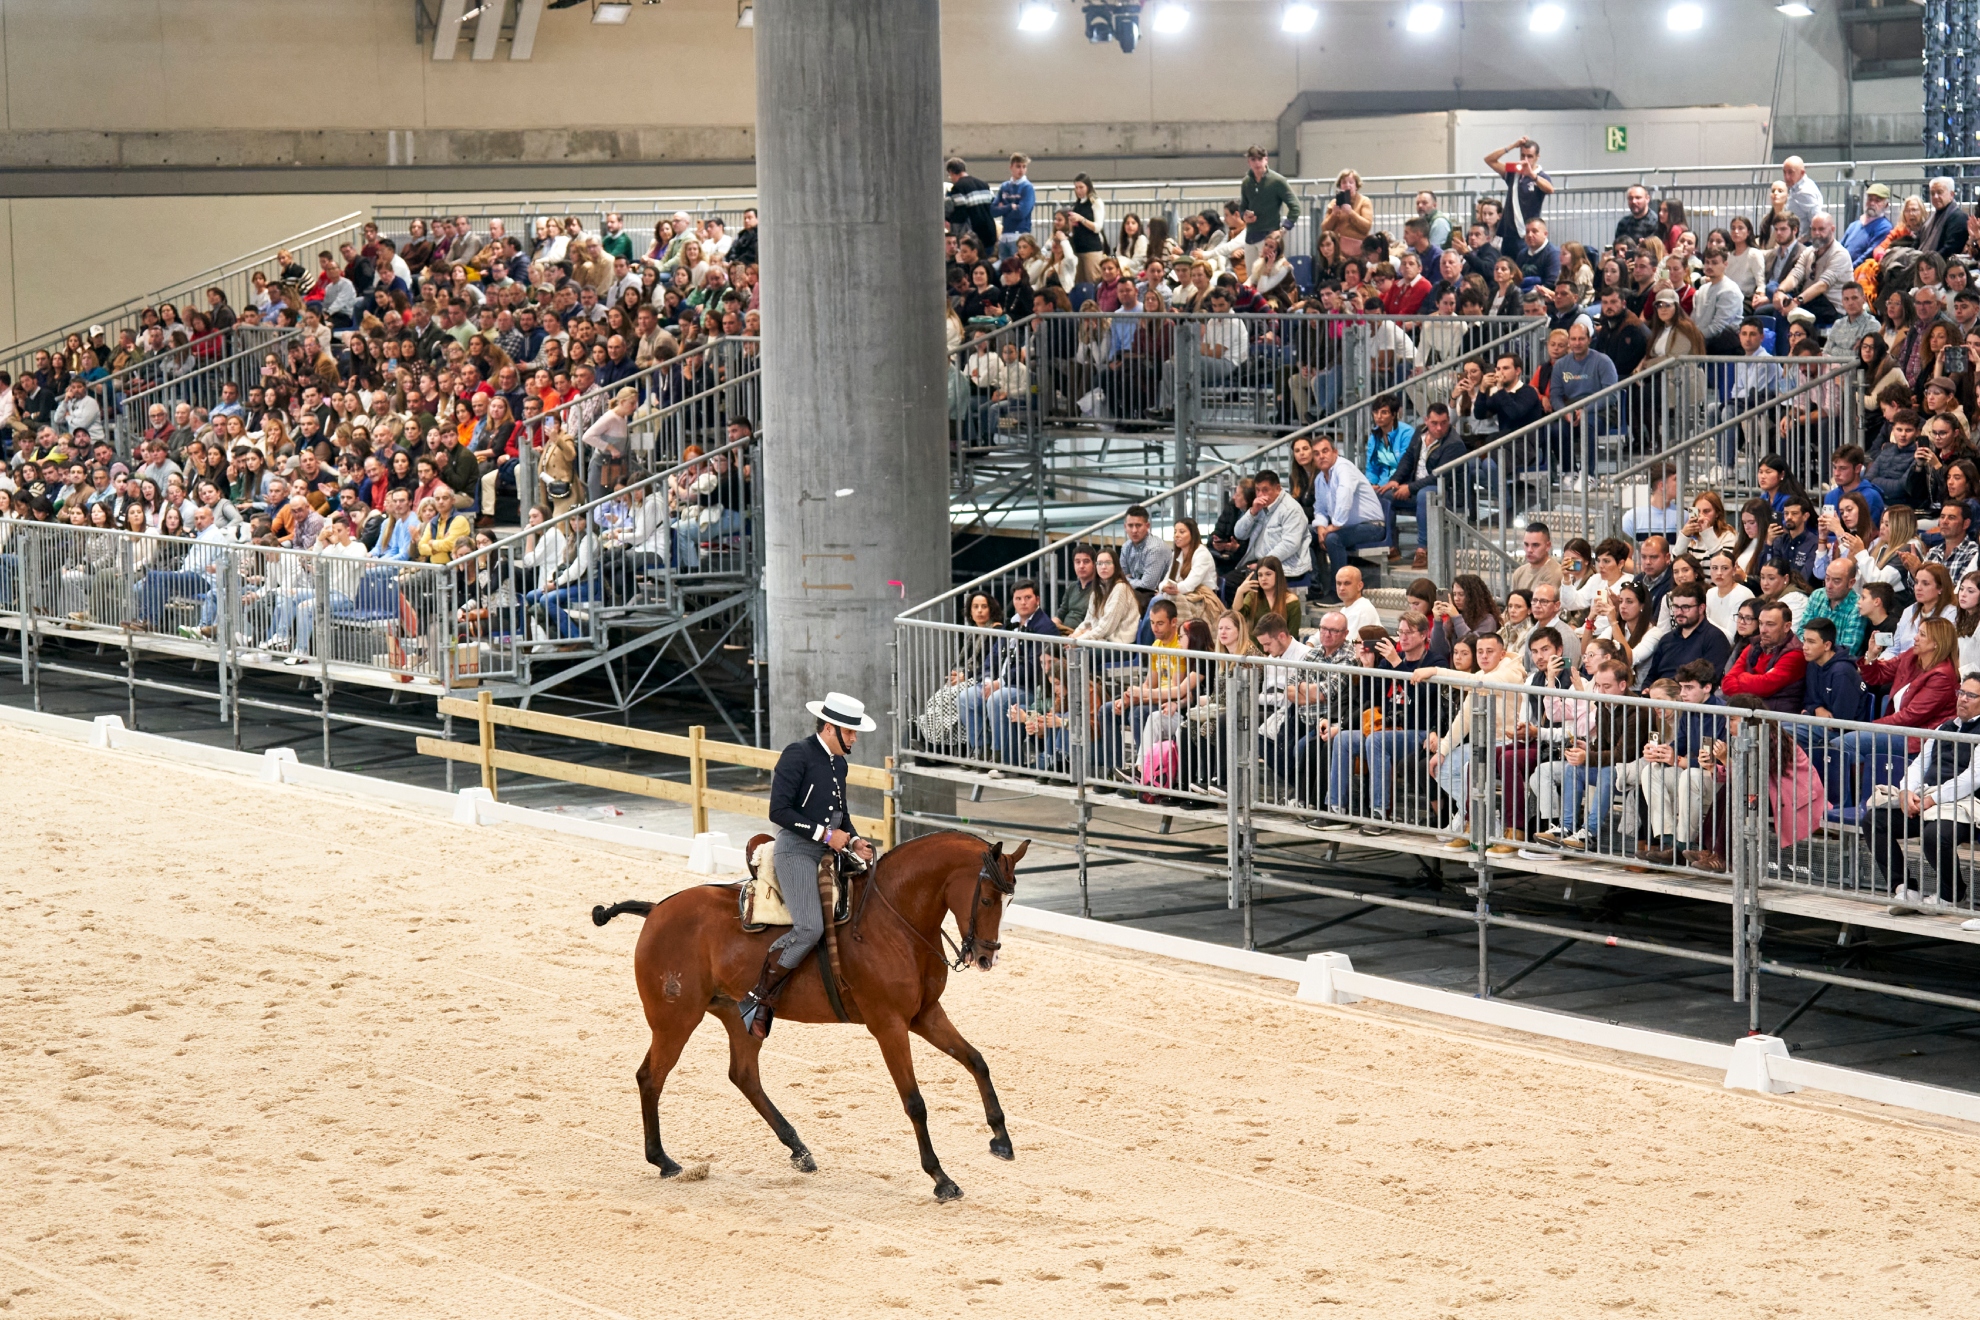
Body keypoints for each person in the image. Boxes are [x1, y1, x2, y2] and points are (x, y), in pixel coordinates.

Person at [738, 692, 878, 1039]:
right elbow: (778, 811)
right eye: (850, 732)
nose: (854, 738)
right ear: (831, 728)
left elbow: (841, 814)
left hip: (832, 849)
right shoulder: (797, 754)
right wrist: (826, 834)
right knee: (809, 928)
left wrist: (855, 840)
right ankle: (759, 997)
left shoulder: (839, 764)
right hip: (796, 850)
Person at [1868, 674, 1980, 914]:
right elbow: (1919, 764)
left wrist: (1932, 799)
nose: (1962, 699)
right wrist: (1907, 791)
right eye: (1961, 693)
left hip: (1965, 803)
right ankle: (1904, 889)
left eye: (1971, 695)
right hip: (1928, 799)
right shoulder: (1944, 727)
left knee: (1936, 834)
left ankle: (1952, 895)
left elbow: (1973, 778)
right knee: (1875, 820)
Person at [1307, 436, 1386, 603]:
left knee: (1333, 538)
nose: (1321, 456)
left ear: (1335, 452)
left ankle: (1337, 593)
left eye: (1325, 451)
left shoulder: (1344, 468)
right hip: (1347, 528)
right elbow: (1320, 509)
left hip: (1372, 526)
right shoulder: (1320, 479)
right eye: (1316, 453)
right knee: (1306, 534)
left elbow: (1345, 496)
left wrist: (1333, 525)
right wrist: (1321, 526)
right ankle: (1315, 587)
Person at [1483, 135, 1554, 248]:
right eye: (1523, 155)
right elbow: (1489, 160)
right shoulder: (1514, 173)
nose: (1525, 159)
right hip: (1508, 232)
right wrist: (1512, 146)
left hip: (1527, 233)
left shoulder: (1541, 175)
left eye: (1529, 156)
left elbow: (1550, 189)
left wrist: (1532, 175)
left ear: (1537, 157)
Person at [1238, 146, 1300, 269]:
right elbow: (1243, 206)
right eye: (1253, 159)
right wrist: (1244, 216)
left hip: (1269, 237)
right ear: (1248, 162)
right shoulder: (1246, 182)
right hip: (1250, 236)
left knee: (1270, 275)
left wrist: (1283, 229)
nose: (1257, 163)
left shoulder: (1277, 181)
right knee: (1252, 277)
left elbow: (1295, 207)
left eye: (1260, 159)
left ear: (1266, 160)